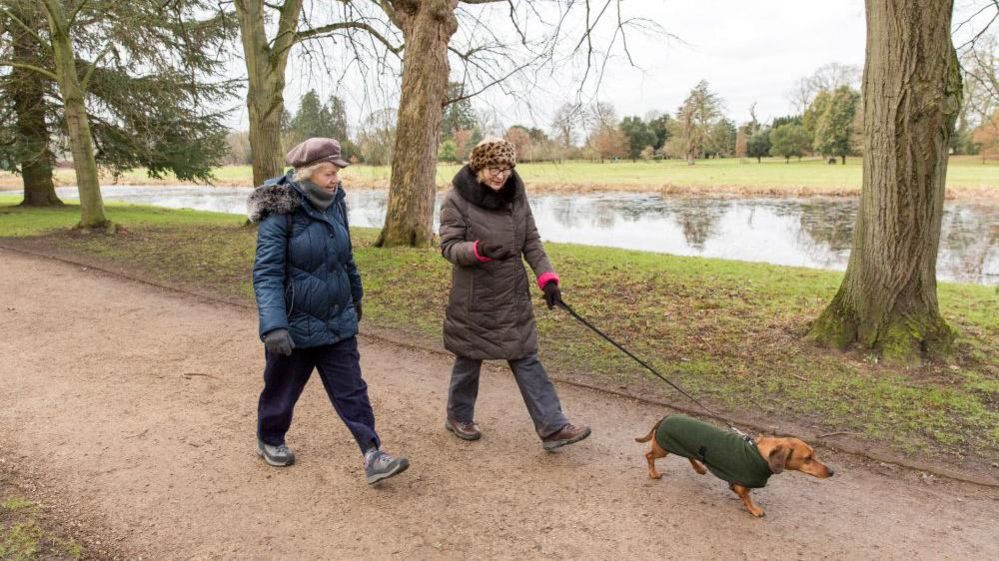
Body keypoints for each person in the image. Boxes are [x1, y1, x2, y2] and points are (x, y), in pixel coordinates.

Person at [247, 137, 409, 484]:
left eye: (337, 172)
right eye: (328, 172)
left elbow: (345, 257)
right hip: (294, 324)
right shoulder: (280, 210)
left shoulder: (336, 203)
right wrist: (273, 325)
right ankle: (269, 438)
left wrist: (356, 295)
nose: (335, 178)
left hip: (336, 317)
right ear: (306, 173)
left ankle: (373, 453)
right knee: (281, 389)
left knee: (352, 390)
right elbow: (267, 272)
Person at [438, 137, 591, 451]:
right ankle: (458, 416)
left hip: (511, 293)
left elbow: (531, 240)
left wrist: (547, 278)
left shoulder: (516, 196)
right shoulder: (456, 199)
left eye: (506, 168)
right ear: (479, 167)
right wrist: (478, 250)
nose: (501, 175)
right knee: (469, 358)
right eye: (494, 167)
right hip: (474, 297)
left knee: (526, 357)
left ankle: (553, 427)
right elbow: (449, 247)